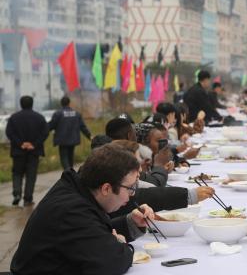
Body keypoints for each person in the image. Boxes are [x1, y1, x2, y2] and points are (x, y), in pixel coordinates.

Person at [10, 143, 155, 275]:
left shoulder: (78, 190)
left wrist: (130, 223)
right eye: (131, 188)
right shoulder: (72, 210)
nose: (132, 195)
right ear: (106, 188)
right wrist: (122, 245)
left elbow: (90, 234)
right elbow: (111, 262)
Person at [5, 96, 49, 206]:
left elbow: (9, 132)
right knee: (31, 175)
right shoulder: (39, 118)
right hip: (34, 152)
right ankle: (28, 198)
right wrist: (33, 144)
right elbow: (45, 133)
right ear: (32, 104)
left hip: (18, 151)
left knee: (17, 173)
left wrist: (21, 143)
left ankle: (17, 194)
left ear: (21, 104)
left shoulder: (14, 118)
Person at [48, 96, 92, 170]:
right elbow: (82, 127)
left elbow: (51, 125)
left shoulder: (58, 114)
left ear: (61, 103)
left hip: (62, 140)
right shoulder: (76, 114)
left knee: (64, 158)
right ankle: (71, 172)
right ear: (69, 103)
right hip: (73, 139)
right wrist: (90, 136)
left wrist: (42, 132)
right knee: (70, 156)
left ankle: (68, 173)